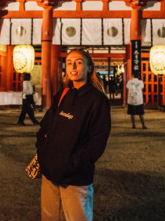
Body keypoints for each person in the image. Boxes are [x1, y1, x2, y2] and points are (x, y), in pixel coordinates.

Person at [36, 49, 111, 221]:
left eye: (78, 62)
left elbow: (97, 142)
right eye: (69, 63)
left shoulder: (97, 100)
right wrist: (43, 154)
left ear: (89, 67)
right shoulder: (63, 94)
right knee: (49, 217)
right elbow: (45, 127)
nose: (73, 66)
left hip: (75, 176)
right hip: (49, 173)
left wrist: (73, 163)